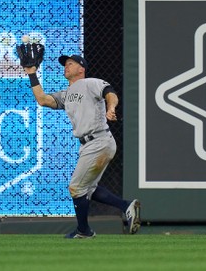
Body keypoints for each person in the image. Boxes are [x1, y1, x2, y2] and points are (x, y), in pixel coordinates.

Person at [23, 54, 141, 238]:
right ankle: (126, 206)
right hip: (90, 144)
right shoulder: (67, 94)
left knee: (76, 188)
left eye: (71, 63)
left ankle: (84, 230)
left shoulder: (89, 83)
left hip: (99, 140)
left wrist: (111, 108)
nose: (66, 67)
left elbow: (109, 92)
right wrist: (31, 73)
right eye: (65, 64)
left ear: (81, 68)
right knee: (89, 189)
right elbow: (43, 100)